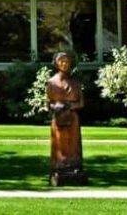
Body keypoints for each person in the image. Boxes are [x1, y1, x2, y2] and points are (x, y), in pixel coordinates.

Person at [46, 51, 87, 185]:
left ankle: (74, 167)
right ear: (56, 63)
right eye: (61, 61)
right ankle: (59, 168)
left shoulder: (75, 83)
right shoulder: (51, 82)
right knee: (60, 143)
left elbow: (81, 103)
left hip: (73, 118)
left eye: (67, 61)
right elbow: (49, 103)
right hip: (59, 118)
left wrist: (70, 106)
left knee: (73, 144)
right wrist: (56, 106)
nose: (64, 64)